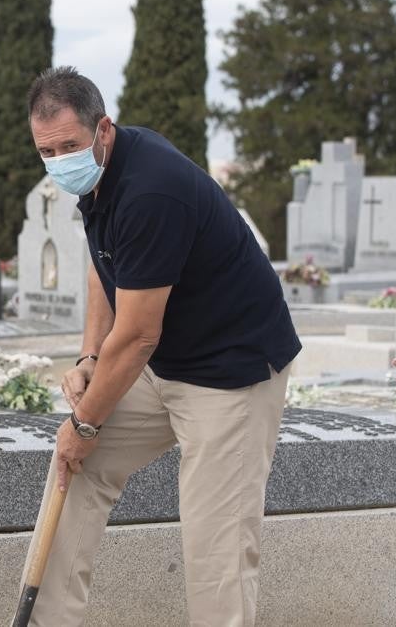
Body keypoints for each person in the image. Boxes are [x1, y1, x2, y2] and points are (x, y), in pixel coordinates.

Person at [19, 66, 301, 626]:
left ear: (103, 129)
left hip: (233, 372)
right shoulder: (97, 177)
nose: (58, 163)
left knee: (215, 543)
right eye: (46, 153)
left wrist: (86, 422)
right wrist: (89, 358)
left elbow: (141, 331)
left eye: (68, 147)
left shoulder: (151, 189)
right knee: (73, 472)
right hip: (165, 361)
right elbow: (106, 268)